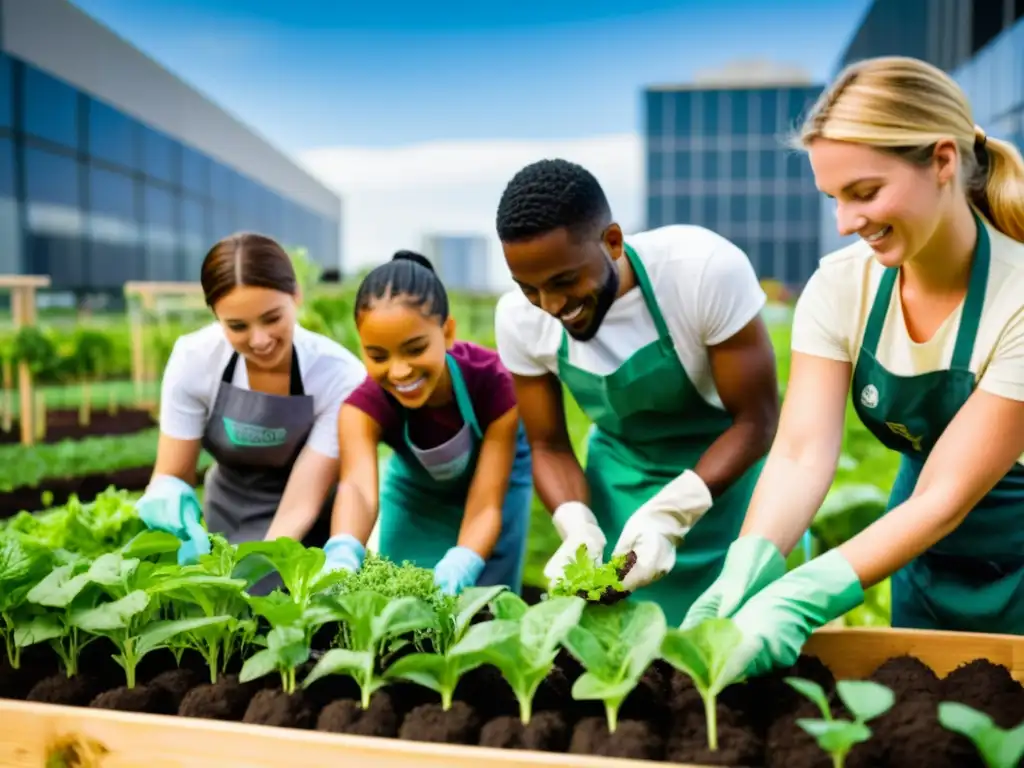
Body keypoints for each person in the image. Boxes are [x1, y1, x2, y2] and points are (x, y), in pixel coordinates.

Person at [683, 56, 1024, 677]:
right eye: (834, 198)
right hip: (917, 553)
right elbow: (799, 453)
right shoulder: (841, 288)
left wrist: (804, 594)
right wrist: (752, 561)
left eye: (865, 192)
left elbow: (949, 493)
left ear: (942, 161)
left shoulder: (1017, 295)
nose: (846, 222)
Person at [492, 158, 781, 625]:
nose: (550, 306)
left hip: (733, 488)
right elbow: (547, 444)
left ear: (612, 242)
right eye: (529, 288)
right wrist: (576, 524)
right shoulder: (519, 320)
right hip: (621, 490)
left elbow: (759, 421)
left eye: (565, 281)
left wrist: (672, 514)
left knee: (749, 650)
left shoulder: (700, 271)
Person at [136, 232, 367, 565]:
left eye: (272, 318)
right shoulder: (195, 359)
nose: (259, 340)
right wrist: (168, 497)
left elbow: (302, 500)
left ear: (296, 295)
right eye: (237, 326)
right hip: (224, 514)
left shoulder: (337, 374)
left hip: (305, 531)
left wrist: (255, 567)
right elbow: (173, 471)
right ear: (215, 316)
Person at [320, 250, 533, 596]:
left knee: (483, 607)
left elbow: (486, 504)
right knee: (400, 602)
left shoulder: (493, 384)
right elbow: (357, 487)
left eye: (415, 349)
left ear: (447, 333)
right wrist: (344, 550)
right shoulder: (361, 409)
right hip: (415, 493)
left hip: (496, 489)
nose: (400, 371)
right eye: (378, 356)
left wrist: (463, 559)